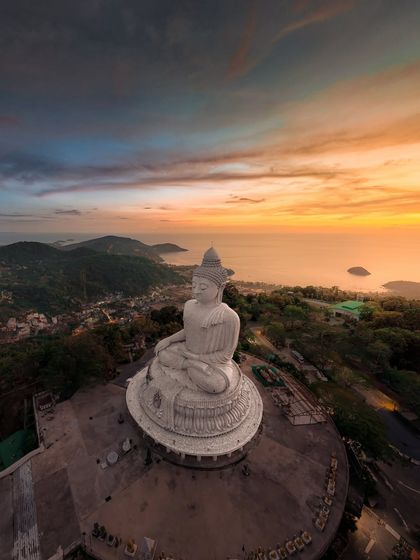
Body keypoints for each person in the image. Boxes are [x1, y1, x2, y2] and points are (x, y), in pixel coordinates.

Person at [154, 247, 240, 394]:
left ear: (221, 287)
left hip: (212, 363)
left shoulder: (229, 317)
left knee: (216, 384)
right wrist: (168, 340)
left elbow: (226, 354)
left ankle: (190, 365)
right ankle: (189, 365)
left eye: (203, 287)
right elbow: (188, 331)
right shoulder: (189, 305)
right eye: (193, 285)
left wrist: (199, 357)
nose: (196, 291)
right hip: (187, 353)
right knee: (162, 353)